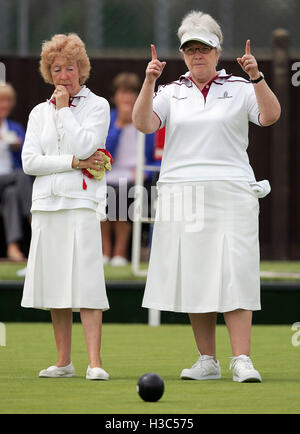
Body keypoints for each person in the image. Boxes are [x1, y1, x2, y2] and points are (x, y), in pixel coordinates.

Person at [133, 11, 281, 383]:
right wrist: (149, 81)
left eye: (204, 48)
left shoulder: (242, 87)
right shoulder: (170, 91)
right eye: (190, 49)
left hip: (232, 190)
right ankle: (207, 360)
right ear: (183, 55)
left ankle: (242, 358)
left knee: (236, 272)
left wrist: (256, 76)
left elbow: (270, 115)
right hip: (182, 192)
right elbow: (144, 123)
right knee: (196, 275)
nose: (197, 55)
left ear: (218, 52)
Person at [21, 33, 111, 380]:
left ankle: (94, 362)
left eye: (69, 68)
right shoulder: (37, 113)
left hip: (82, 203)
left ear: (81, 70)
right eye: (56, 69)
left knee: (87, 281)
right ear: (49, 72)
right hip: (46, 205)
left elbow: (89, 143)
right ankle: (63, 362)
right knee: (56, 284)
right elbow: (30, 161)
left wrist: (64, 112)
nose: (63, 76)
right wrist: (74, 162)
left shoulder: (98, 106)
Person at [101, 72, 156, 266]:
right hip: (108, 173)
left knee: (122, 193)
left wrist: (145, 172)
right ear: (115, 96)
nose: (127, 98)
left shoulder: (147, 118)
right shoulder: (107, 119)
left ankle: (119, 252)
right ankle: (105, 251)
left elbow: (155, 158)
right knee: (103, 193)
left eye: (132, 93)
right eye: (123, 93)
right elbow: (102, 151)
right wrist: (119, 125)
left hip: (136, 177)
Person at [0, 82, 32, 261]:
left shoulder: (15, 128)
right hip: (11, 177)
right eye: (1, 100)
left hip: (8, 181)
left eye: (7, 101)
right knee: (21, 176)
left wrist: (17, 148)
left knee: (12, 194)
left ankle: (13, 248)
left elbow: (27, 161)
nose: (4, 105)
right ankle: (32, 216)